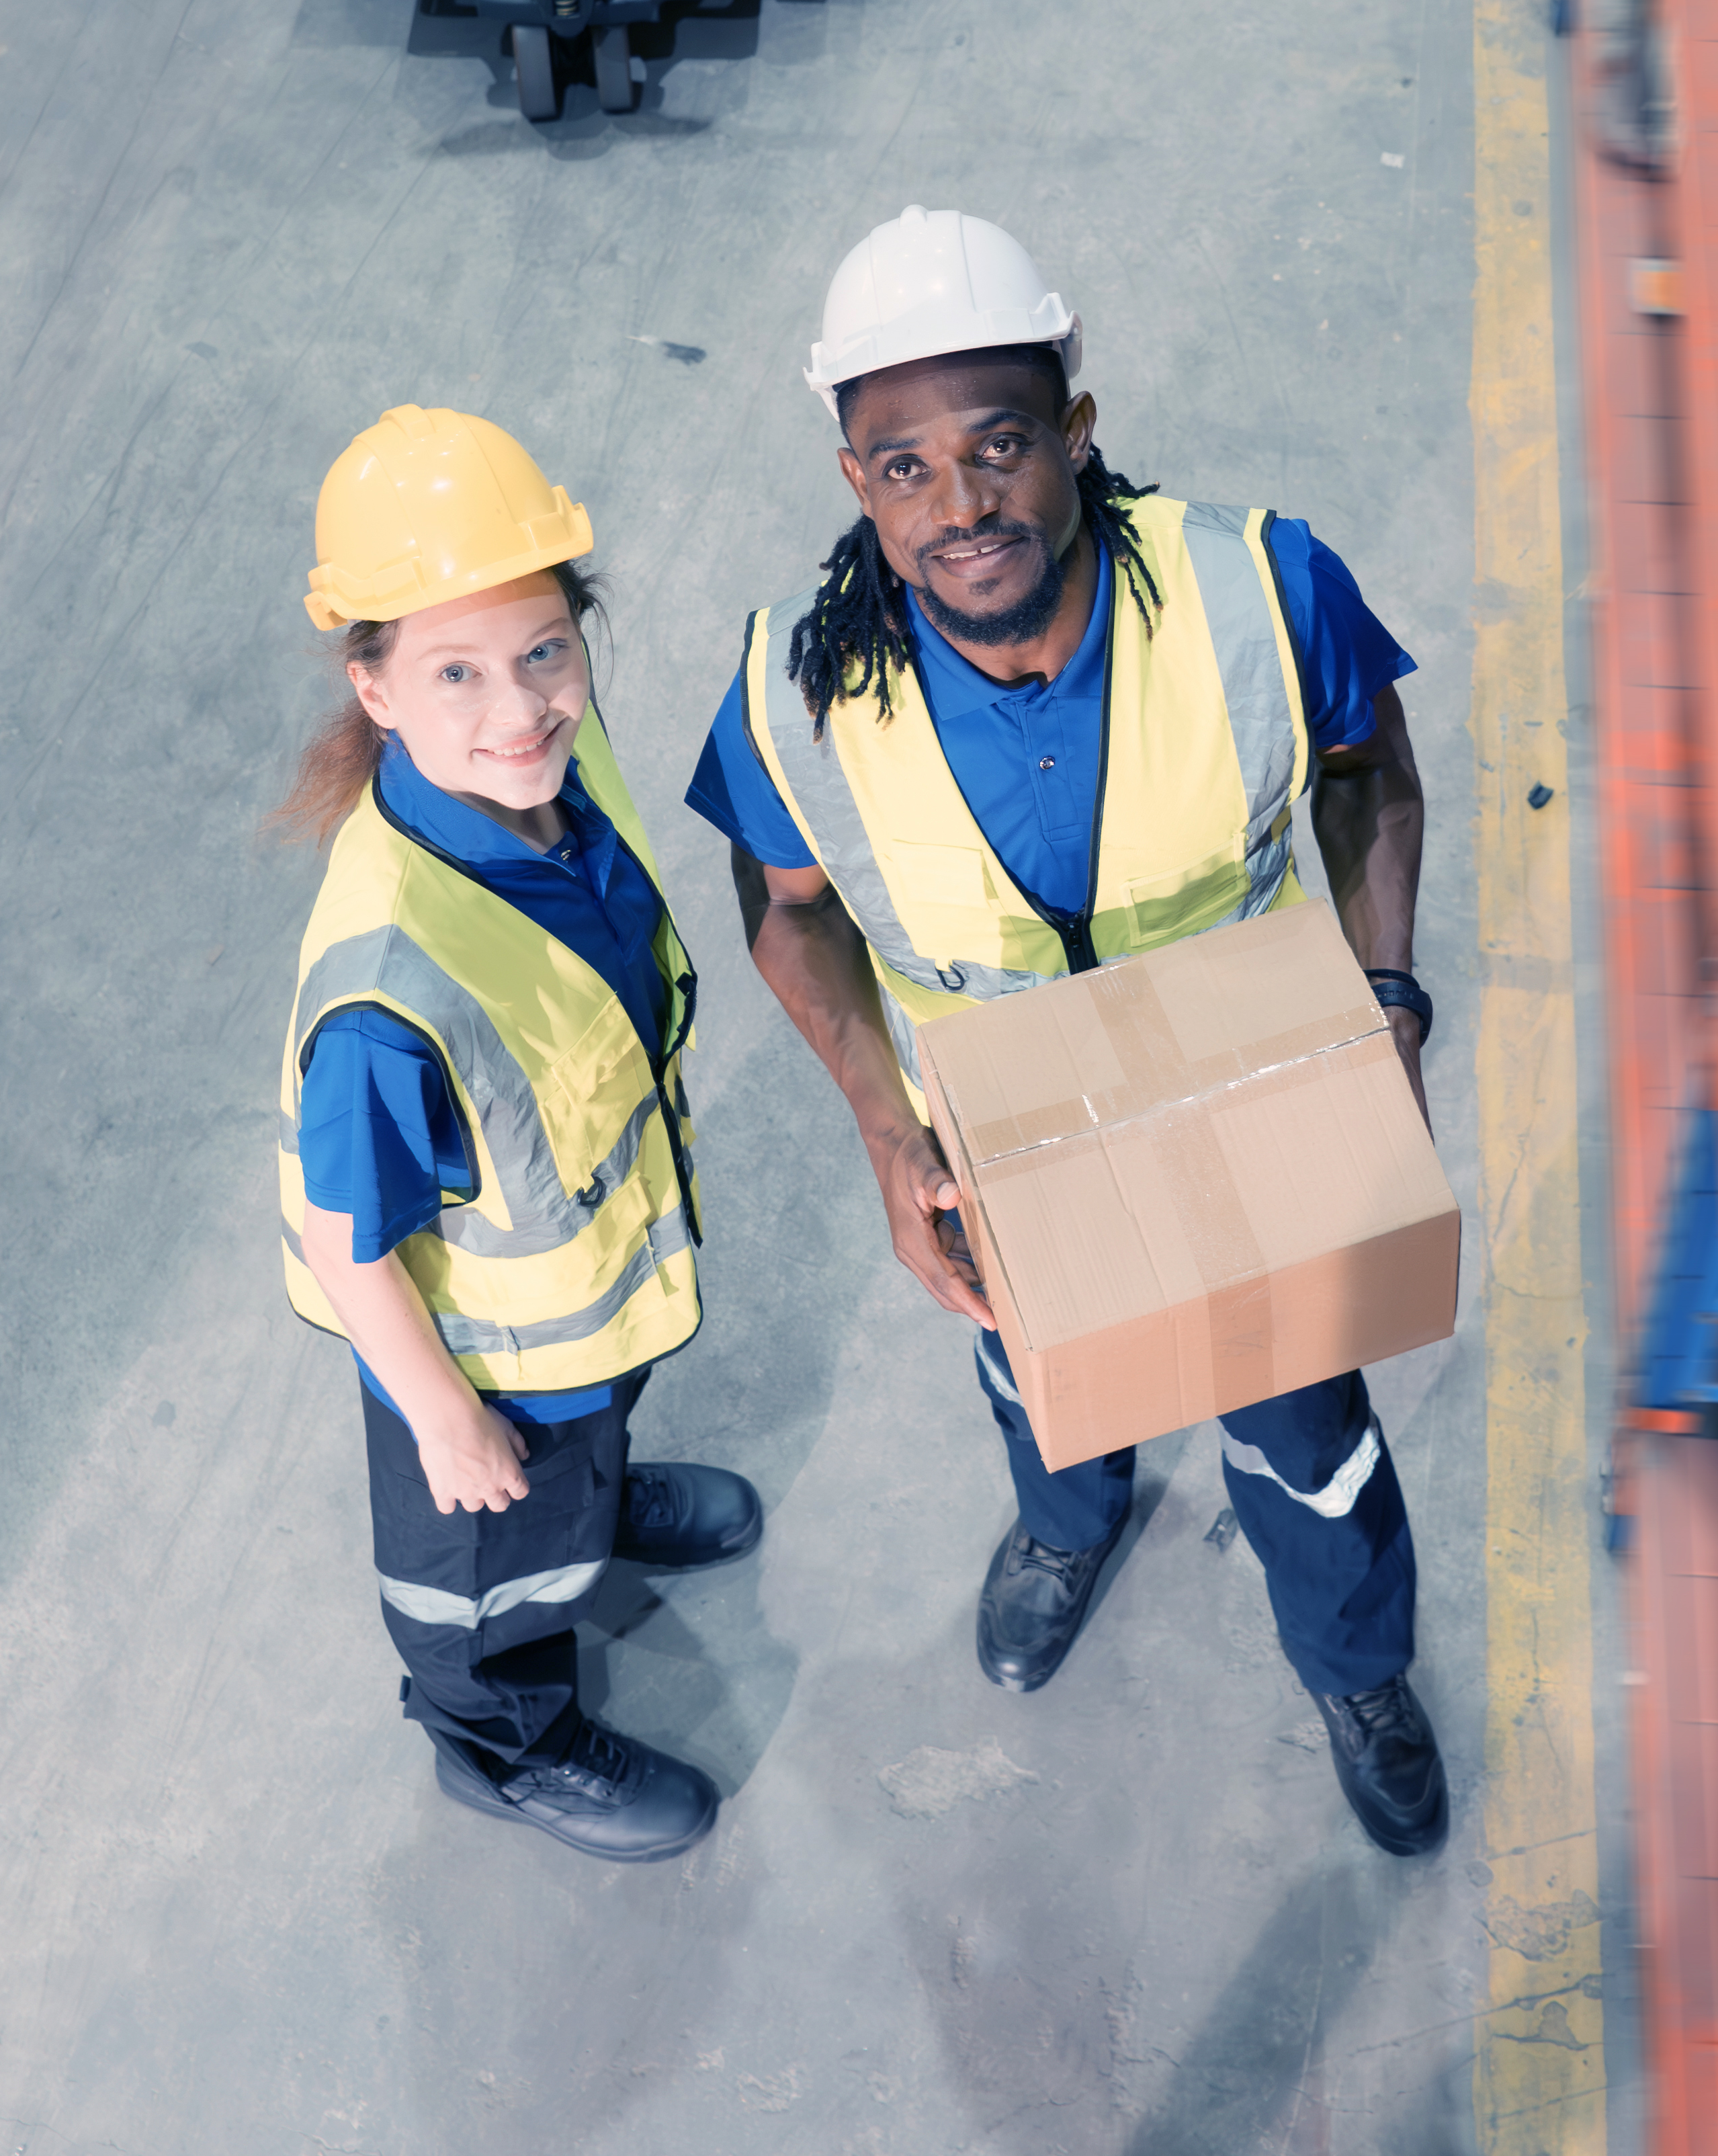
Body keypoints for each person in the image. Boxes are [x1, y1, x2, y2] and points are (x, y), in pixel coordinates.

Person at [685, 210, 1451, 1856]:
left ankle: (1357, 1671)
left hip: (1248, 1098)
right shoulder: (790, 696)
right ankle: (1065, 1523)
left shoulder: (1257, 585)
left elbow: (1371, 773)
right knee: (1039, 1380)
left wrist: (1386, 992)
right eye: (904, 468)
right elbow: (788, 916)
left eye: (1000, 446)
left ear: (1076, 431)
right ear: (854, 480)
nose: (958, 507)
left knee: (1307, 1437)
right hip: (1015, 1135)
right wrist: (890, 1132)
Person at [273, 406, 760, 1865]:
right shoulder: (385, 988)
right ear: (372, 686)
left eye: (545, 650)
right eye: (457, 674)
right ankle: (505, 1747)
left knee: (582, 1460)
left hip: (580, 1320)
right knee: (482, 1574)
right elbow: (346, 1243)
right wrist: (443, 1418)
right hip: (485, 1362)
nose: (522, 709)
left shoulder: (550, 770)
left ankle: (593, 1511)